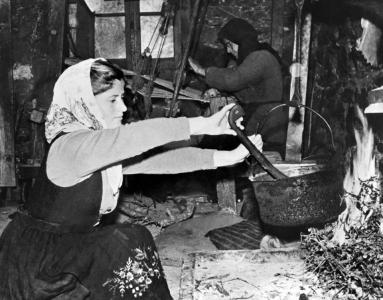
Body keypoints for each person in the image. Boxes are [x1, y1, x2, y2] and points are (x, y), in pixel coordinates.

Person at [0, 58, 263, 299]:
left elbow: (157, 161)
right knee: (122, 243)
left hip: (66, 248)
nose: (123, 108)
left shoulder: (97, 145)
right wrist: (202, 124)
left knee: (130, 238)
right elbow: (136, 136)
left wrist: (228, 157)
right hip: (37, 263)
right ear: (85, 102)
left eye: (122, 98)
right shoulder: (71, 146)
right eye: (113, 100)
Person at [188, 18, 288, 156]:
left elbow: (233, 80)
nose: (228, 51)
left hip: (268, 127)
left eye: (230, 45)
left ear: (243, 41)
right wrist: (217, 90)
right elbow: (244, 86)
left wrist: (202, 70)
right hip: (261, 120)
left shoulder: (261, 57)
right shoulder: (252, 59)